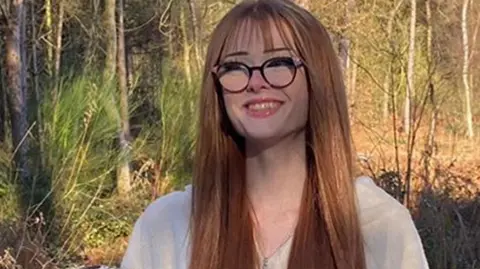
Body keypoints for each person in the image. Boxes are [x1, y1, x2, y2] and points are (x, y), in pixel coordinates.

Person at [120, 0, 430, 269]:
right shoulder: (165, 228)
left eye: (280, 62)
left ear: (317, 79)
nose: (256, 82)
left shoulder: (379, 226)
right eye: (235, 66)